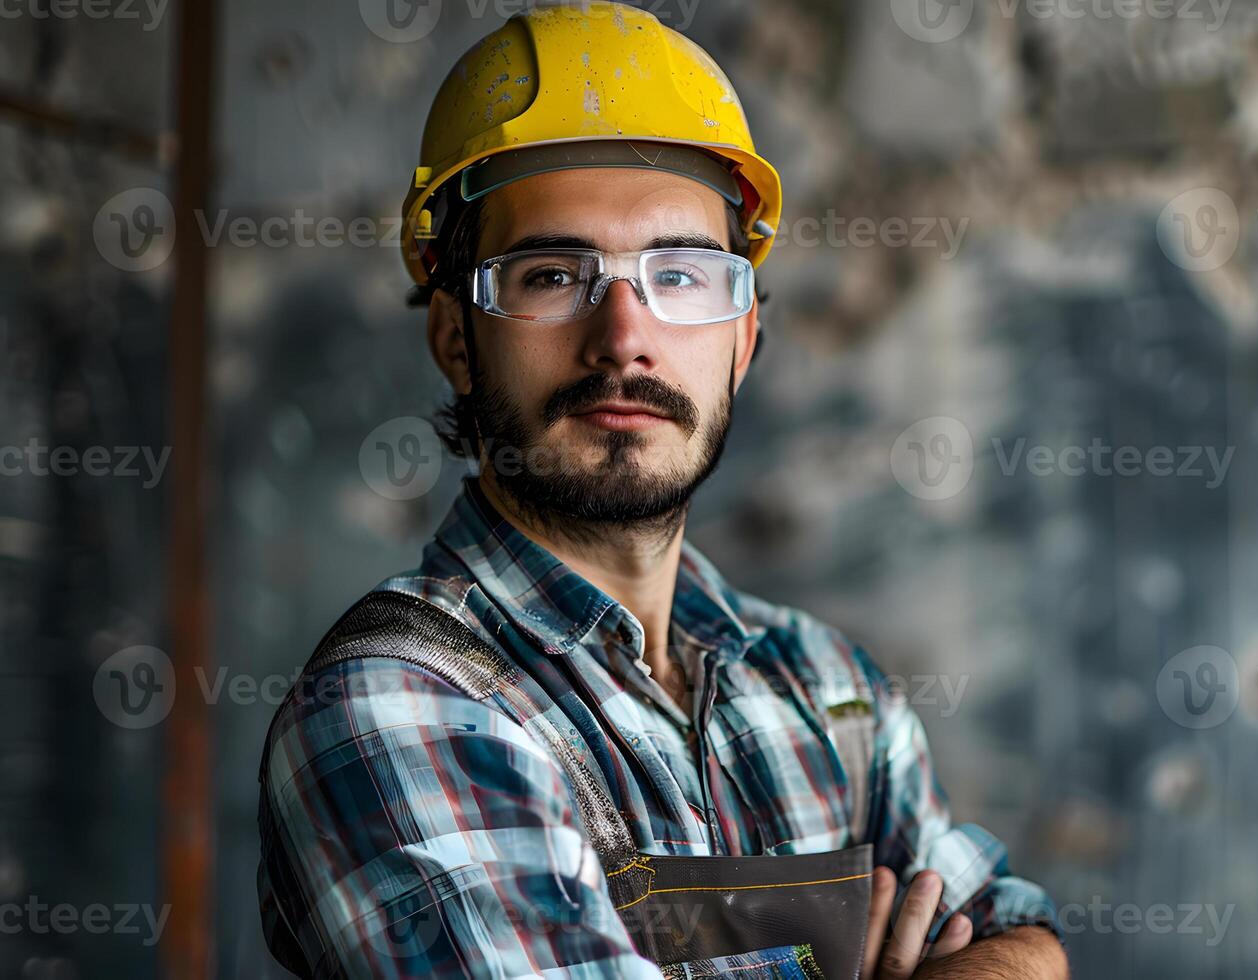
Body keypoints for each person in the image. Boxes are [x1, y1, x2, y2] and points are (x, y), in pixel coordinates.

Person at [255, 4, 1066, 978]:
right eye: (553, 273)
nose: (624, 336)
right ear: (455, 338)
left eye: (681, 274)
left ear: (744, 340)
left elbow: (1023, 937)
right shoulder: (397, 700)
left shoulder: (833, 691)